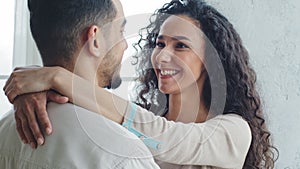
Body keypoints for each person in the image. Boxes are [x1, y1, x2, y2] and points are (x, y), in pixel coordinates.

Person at [3, 0, 278, 168]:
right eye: (160, 43)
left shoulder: (234, 132)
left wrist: (55, 76)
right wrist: (32, 90)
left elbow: (165, 138)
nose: (162, 55)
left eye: (180, 46)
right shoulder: (134, 126)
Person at [0, 0, 161, 168]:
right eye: (121, 31)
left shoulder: (5, 128)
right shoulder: (125, 155)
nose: (125, 44)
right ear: (95, 40)